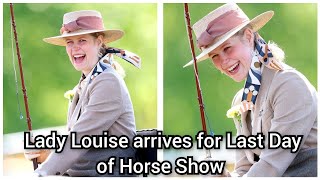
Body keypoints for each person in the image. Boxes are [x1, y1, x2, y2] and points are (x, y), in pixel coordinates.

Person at [184, 3, 317, 177]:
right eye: (214, 56)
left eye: (227, 48)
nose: (223, 61)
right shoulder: (241, 99)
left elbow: (271, 166)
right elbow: (244, 169)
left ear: (248, 37)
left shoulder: (289, 85)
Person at [24, 10, 141, 176]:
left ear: (99, 42)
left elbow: (79, 140)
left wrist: (40, 174)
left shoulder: (108, 82)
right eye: (70, 42)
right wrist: (46, 154)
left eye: (82, 40)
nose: (75, 48)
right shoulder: (89, 81)